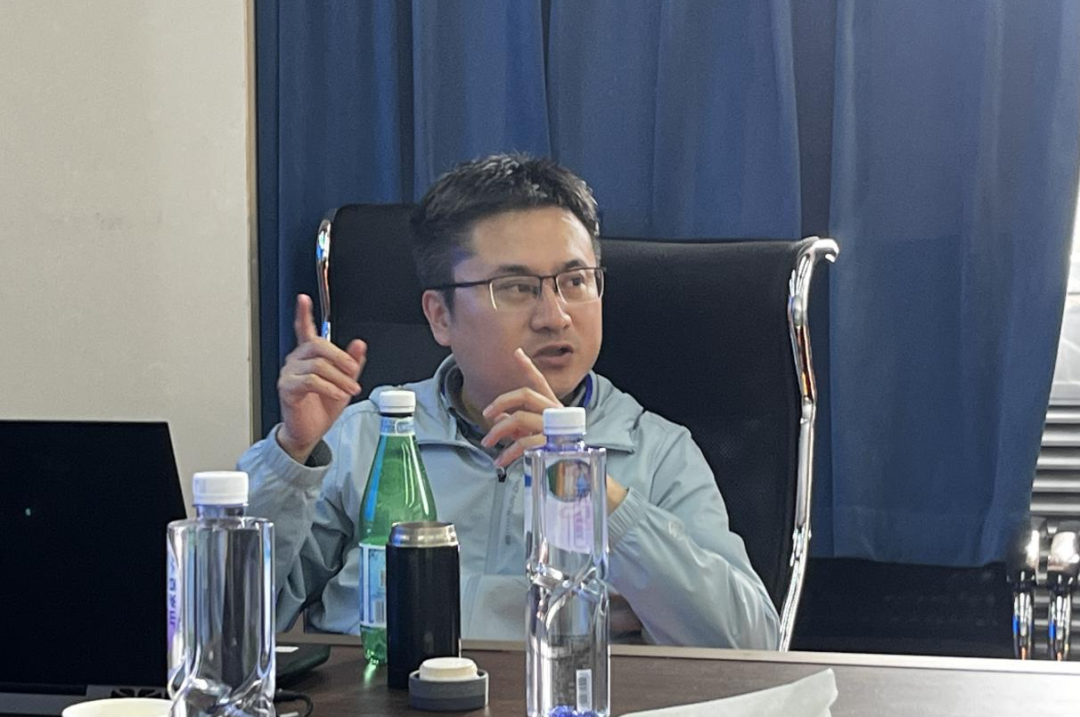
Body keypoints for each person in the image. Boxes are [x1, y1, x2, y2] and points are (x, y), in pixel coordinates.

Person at [239, 154, 779, 648]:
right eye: (516, 287)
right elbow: (233, 620)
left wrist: (596, 493)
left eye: (575, 281)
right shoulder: (365, 436)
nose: (555, 316)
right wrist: (293, 454)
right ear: (440, 316)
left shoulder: (655, 452)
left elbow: (750, 644)